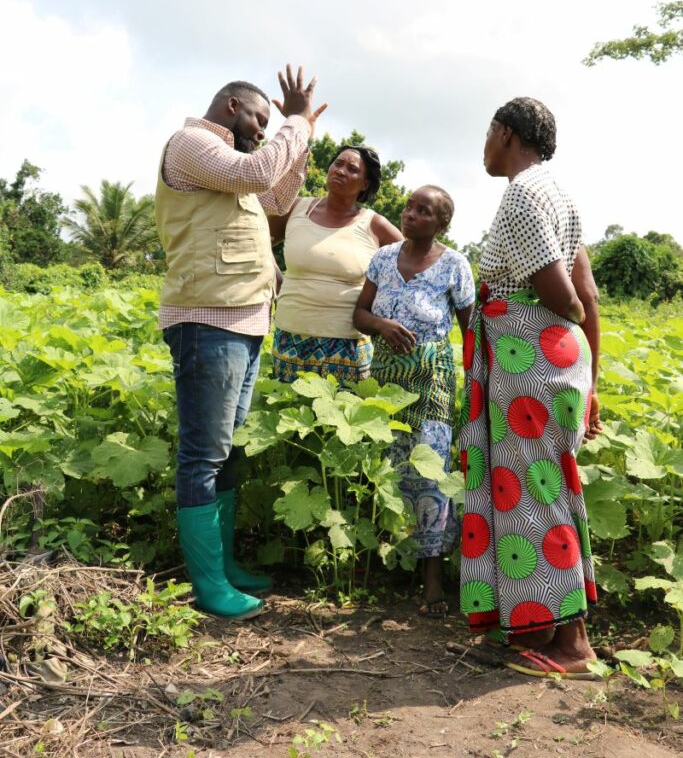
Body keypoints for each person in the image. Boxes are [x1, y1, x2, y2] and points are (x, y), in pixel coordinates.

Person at [156, 65, 325, 620]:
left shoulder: (232, 170)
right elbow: (257, 172)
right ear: (231, 106)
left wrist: (299, 144)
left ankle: (224, 568)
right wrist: (294, 124)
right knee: (204, 453)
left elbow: (275, 199)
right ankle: (208, 587)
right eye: (259, 115)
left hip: (244, 321)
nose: (262, 126)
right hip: (208, 321)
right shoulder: (192, 144)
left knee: (225, 450)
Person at [459, 97, 602, 678]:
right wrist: (590, 377)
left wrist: (552, 323)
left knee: (536, 487)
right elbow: (589, 295)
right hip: (553, 361)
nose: (484, 146)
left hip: (530, 358)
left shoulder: (521, 193)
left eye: (488, 134)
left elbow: (564, 294)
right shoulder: (557, 193)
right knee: (548, 482)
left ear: (505, 132)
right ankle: (542, 621)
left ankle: (572, 645)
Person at [354, 186, 475, 615]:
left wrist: (477, 382)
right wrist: (382, 325)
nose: (410, 215)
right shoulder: (384, 258)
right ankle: (389, 562)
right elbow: (359, 315)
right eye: (409, 207)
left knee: (431, 470)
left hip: (433, 382)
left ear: (441, 223)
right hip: (386, 380)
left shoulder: (455, 265)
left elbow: (469, 332)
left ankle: (433, 580)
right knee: (388, 465)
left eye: (423, 211)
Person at [269, 145, 402, 383]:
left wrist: (379, 314)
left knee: (339, 417)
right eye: (338, 163)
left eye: (352, 169)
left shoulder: (374, 225)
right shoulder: (296, 209)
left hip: (347, 345)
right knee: (288, 413)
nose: (341, 171)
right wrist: (279, 283)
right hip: (290, 338)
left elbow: (412, 260)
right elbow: (256, 242)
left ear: (365, 184)